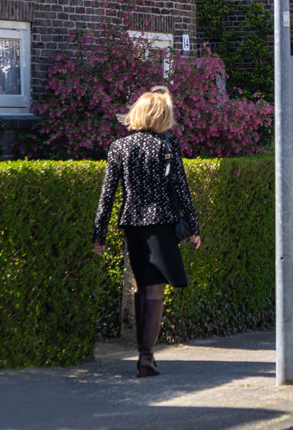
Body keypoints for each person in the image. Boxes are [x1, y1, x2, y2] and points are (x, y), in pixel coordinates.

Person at [92, 86, 200, 378]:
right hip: (161, 225)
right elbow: (180, 189)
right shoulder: (167, 145)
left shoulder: (119, 147)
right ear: (162, 116)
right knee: (156, 290)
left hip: (132, 226)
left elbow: (107, 195)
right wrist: (193, 226)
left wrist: (99, 234)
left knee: (142, 285)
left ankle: (144, 357)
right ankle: (146, 357)